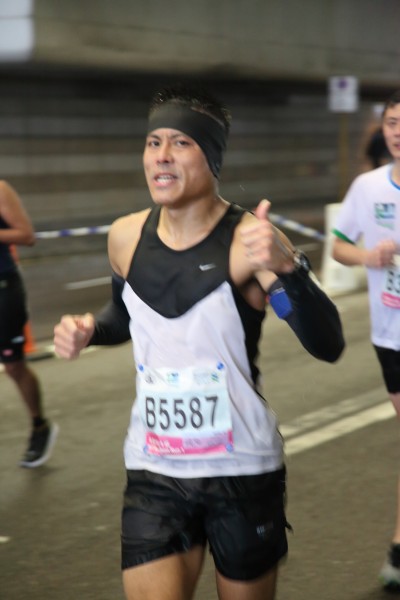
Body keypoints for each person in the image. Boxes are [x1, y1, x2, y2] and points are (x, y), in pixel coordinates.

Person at [54, 83, 344, 600]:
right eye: (153, 142)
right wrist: (90, 330)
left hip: (241, 468)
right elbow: (124, 317)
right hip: (154, 466)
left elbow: (328, 343)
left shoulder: (250, 241)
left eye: (180, 142)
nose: (161, 155)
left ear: (212, 157)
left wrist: (288, 270)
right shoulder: (124, 237)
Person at [331, 89, 400, 590]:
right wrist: (367, 257)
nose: (399, 133)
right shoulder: (367, 187)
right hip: (390, 335)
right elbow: (338, 246)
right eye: (393, 123)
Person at [0, 180, 58, 467]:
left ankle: (40, 426)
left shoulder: (1, 190)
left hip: (3, 289)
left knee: (13, 366)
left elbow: (26, 235)